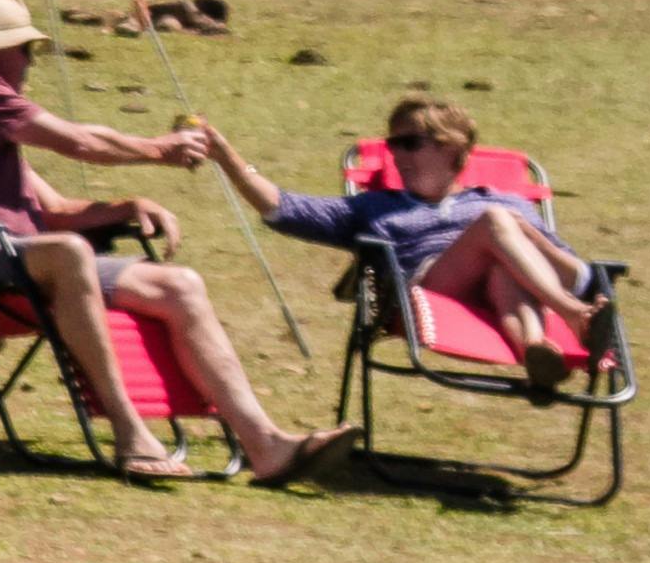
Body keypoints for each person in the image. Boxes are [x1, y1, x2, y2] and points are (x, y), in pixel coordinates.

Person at [0, 0, 326, 484]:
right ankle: (129, 430)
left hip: (22, 260)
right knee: (69, 253)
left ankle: (266, 445)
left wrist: (126, 207)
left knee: (179, 284)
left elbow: (51, 210)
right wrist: (159, 149)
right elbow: (78, 141)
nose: (31, 61)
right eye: (26, 48)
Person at [205, 95, 611, 397]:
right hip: (424, 293)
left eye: (410, 143)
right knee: (493, 226)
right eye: (393, 143)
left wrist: (530, 235)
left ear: (451, 148)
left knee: (502, 260)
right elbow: (283, 207)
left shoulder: (505, 201)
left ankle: (537, 353)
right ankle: (575, 319)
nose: (396, 154)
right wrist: (226, 157)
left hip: (506, 286)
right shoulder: (376, 206)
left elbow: (576, 273)